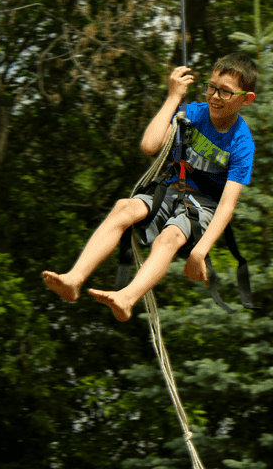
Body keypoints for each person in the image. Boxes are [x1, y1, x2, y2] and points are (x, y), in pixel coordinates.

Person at [42, 54, 257, 321]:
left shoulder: (241, 144)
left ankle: (126, 298)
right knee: (123, 208)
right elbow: (149, 145)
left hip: (203, 206)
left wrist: (200, 250)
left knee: (170, 237)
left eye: (225, 91)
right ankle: (74, 279)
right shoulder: (193, 115)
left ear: (246, 99)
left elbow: (226, 205)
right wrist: (173, 98)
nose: (215, 96)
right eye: (211, 87)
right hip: (171, 190)